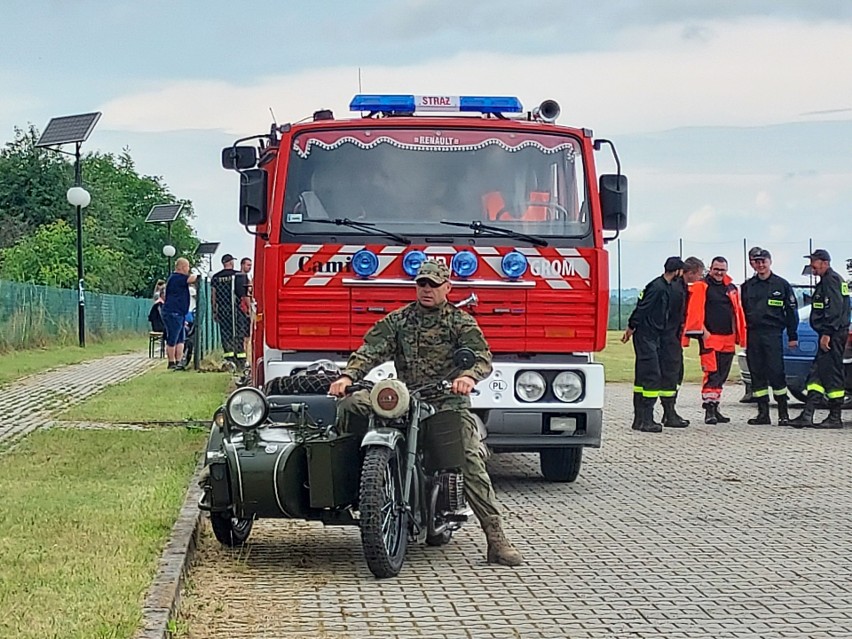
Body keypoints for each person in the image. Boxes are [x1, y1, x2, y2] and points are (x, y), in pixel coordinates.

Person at [328, 259, 523, 567]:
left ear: (448, 287)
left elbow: (482, 357)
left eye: (434, 284)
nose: (427, 289)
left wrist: (468, 377)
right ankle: (356, 488)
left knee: (469, 461)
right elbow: (370, 349)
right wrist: (348, 377)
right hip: (407, 400)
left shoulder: (460, 322)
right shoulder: (399, 321)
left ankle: (496, 538)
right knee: (352, 406)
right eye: (422, 284)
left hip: (446, 402)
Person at [621, 257, 687, 432]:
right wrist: (631, 326)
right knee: (650, 375)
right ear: (678, 271)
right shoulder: (657, 287)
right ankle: (644, 419)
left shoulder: (668, 286)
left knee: (656, 374)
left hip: (656, 336)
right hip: (645, 335)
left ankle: (645, 419)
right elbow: (643, 308)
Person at [790, 249, 850, 428]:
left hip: (832, 335)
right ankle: (807, 414)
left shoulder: (831, 280)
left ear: (824, 262)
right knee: (817, 374)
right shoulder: (828, 281)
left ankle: (835, 416)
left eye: (814, 263)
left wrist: (827, 334)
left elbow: (834, 310)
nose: (812, 267)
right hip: (830, 333)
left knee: (832, 375)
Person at [684, 256, 746, 424]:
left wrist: (737, 334)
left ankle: (716, 405)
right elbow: (694, 312)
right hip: (710, 337)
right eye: (716, 269)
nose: (719, 273)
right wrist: (703, 333)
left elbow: (736, 312)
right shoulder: (702, 286)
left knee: (722, 375)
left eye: (722, 270)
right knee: (712, 373)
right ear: (710, 269)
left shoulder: (731, 287)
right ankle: (709, 410)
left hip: (728, 337)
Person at [740, 247, 799, 426]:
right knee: (756, 373)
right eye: (757, 262)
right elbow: (740, 312)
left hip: (773, 334)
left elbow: (791, 312)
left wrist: (792, 335)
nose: (760, 265)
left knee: (776, 372)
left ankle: (783, 414)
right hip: (753, 334)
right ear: (753, 263)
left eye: (763, 261)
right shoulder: (747, 286)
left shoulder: (781, 285)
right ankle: (763, 414)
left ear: (770, 261)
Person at [211, 254, 250, 367]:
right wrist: (248, 309)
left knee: (226, 333)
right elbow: (244, 294)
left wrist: (214, 309)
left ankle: (229, 358)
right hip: (236, 308)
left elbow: (213, 294)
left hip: (223, 308)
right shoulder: (239, 275)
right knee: (239, 333)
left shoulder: (216, 277)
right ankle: (240, 359)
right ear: (231, 262)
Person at [160, 257, 198, 370]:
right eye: (187, 267)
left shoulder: (179, 279)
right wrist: (198, 277)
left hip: (180, 313)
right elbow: (191, 279)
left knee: (181, 338)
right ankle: (171, 362)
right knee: (173, 337)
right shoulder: (176, 278)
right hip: (173, 312)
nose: (188, 269)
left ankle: (179, 361)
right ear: (181, 267)